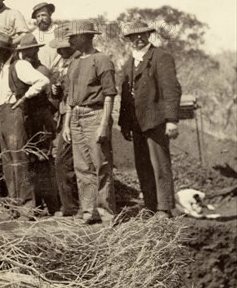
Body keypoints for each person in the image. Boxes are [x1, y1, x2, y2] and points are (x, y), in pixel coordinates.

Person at [119, 21, 182, 219]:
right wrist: (124, 124)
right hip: (137, 123)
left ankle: (164, 207)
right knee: (143, 165)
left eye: (142, 35)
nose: (138, 39)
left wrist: (172, 120)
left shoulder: (161, 57)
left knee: (159, 164)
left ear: (148, 36)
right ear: (129, 39)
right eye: (134, 36)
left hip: (156, 120)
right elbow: (125, 96)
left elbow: (171, 89)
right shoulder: (129, 62)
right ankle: (150, 206)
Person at [0, 33, 50, 214]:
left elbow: (43, 80)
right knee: (8, 162)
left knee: (20, 161)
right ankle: (15, 205)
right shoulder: (1, 68)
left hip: (15, 115)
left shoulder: (19, 65)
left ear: (3, 50)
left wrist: (24, 98)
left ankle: (28, 207)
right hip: (3, 115)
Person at [62, 21, 117, 224]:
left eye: (73, 37)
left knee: (100, 165)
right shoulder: (74, 62)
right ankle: (88, 212)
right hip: (76, 116)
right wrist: (67, 124)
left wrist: (103, 125)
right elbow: (70, 97)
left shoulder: (101, 60)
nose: (70, 41)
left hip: (95, 115)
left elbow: (110, 95)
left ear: (86, 37)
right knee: (82, 167)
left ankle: (106, 215)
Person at [15, 33, 60, 214]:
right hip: (26, 120)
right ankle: (36, 203)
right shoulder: (20, 70)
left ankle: (52, 204)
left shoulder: (42, 71)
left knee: (43, 160)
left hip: (41, 120)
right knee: (29, 161)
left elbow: (52, 100)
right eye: (23, 51)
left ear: (36, 50)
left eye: (30, 50)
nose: (26, 54)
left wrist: (48, 121)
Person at [49, 25, 80, 217]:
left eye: (64, 46)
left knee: (78, 163)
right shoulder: (60, 64)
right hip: (64, 118)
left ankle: (78, 206)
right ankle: (70, 206)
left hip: (78, 116)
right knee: (63, 161)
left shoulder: (81, 61)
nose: (60, 51)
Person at [30, 2, 60, 70]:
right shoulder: (33, 35)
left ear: (50, 14)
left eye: (43, 15)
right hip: (39, 73)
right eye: (38, 16)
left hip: (58, 71)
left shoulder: (58, 31)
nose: (41, 19)